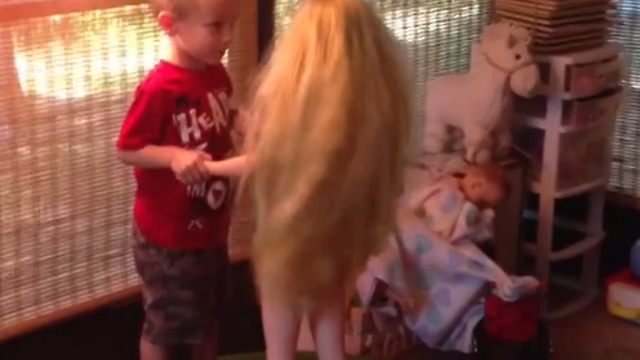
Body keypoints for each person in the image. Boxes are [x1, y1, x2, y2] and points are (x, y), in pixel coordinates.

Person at [212, 0, 412, 359]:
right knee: (330, 330)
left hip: (292, 240)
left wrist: (223, 155)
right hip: (337, 240)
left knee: (281, 340)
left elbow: (267, 158)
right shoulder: (368, 114)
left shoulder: (296, 105)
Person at [115, 1, 240, 359]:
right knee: (165, 325)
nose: (228, 37)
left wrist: (238, 119)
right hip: (169, 239)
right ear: (169, 24)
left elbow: (217, 115)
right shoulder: (159, 89)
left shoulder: (215, 73)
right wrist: (173, 156)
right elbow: (127, 148)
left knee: (207, 318)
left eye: (232, 25)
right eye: (216, 26)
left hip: (211, 229)